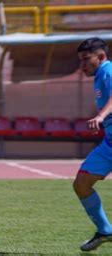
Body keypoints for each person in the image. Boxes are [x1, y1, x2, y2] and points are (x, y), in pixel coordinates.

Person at [73, 37, 112, 252]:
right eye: (80, 60)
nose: (82, 65)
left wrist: (101, 115)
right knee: (81, 184)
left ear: (101, 57)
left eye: (86, 59)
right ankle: (106, 231)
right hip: (109, 144)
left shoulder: (108, 70)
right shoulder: (99, 76)